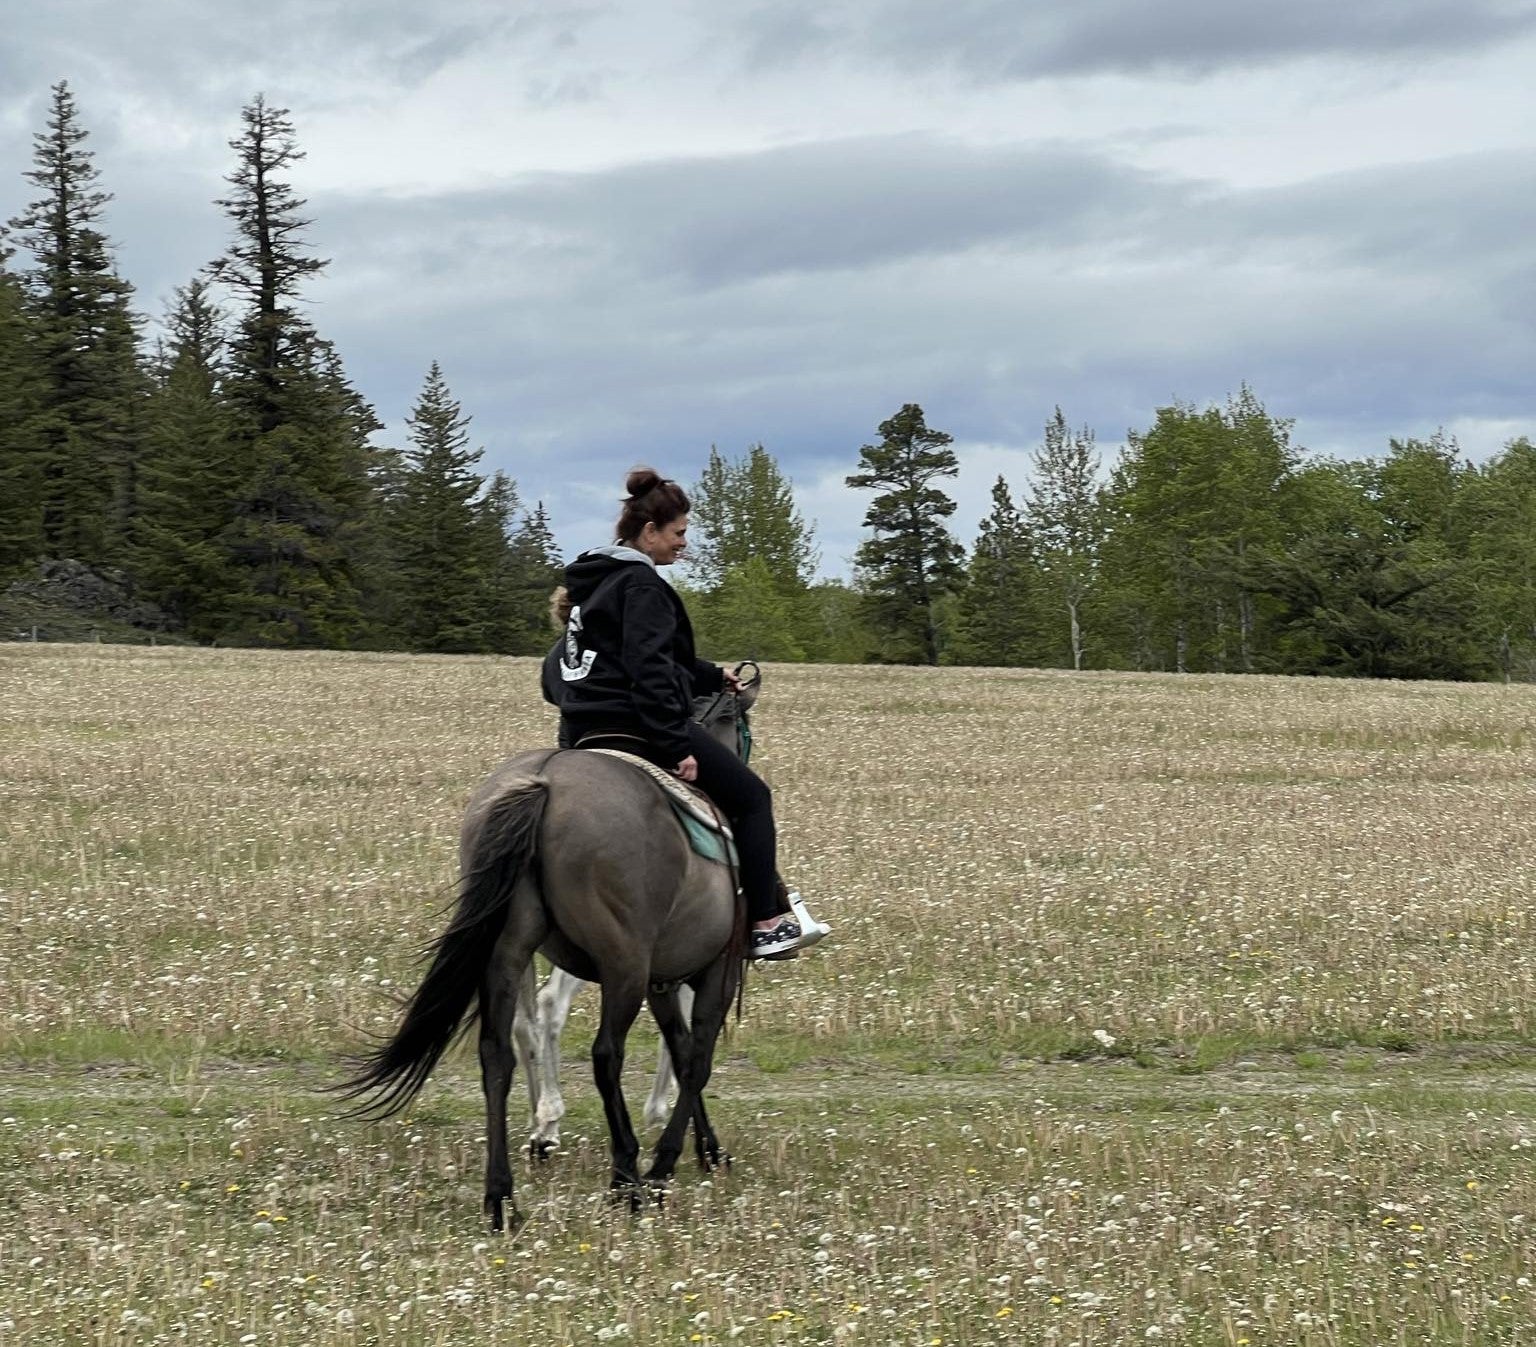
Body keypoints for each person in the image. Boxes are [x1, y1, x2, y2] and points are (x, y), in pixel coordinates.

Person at [545, 466, 827, 959]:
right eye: (678, 533)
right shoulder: (643, 585)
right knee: (752, 797)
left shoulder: (591, 587)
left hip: (579, 733)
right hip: (635, 727)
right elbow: (649, 669)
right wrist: (675, 744)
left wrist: (709, 676)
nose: (683, 544)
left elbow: (574, 667)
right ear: (649, 532)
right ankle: (766, 923)